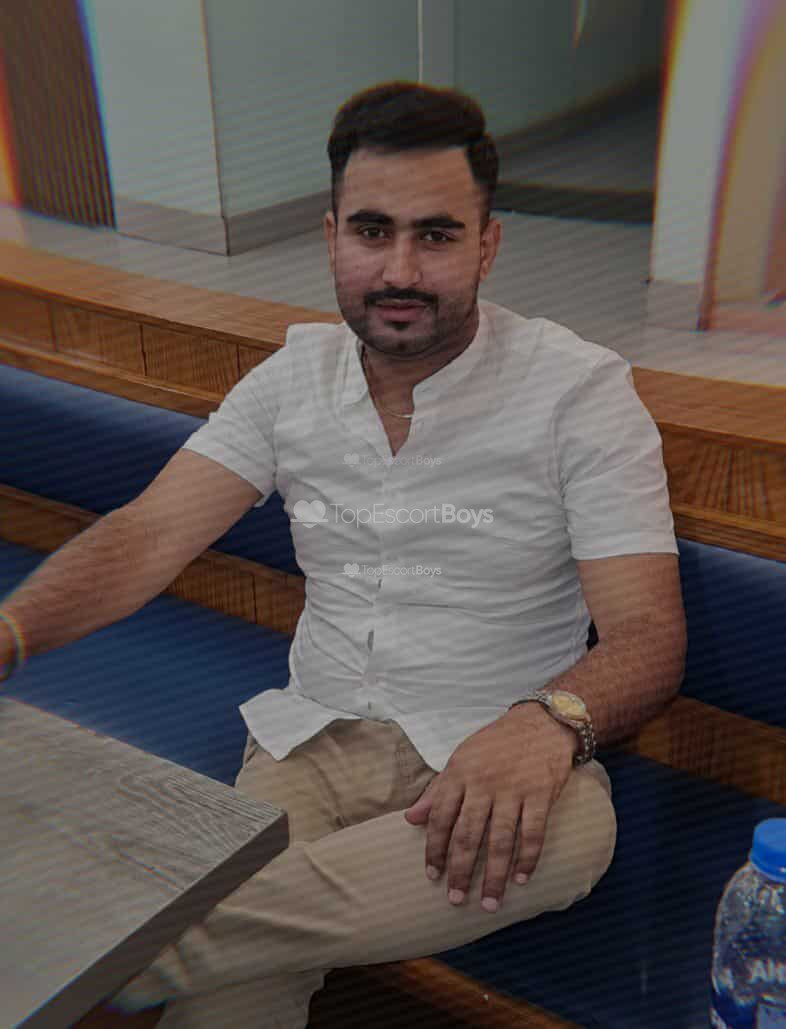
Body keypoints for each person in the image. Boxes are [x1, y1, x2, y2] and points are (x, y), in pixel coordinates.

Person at [0, 81, 686, 1027]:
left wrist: (546, 723)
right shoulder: (291, 381)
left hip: (492, 753)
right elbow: (147, 534)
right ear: (331, 238)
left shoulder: (579, 394)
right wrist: (12, 630)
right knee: (231, 1005)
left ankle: (75, 949)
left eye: (436, 235)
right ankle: (113, 952)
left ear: (487, 246)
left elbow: (648, 632)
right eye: (372, 231)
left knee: (575, 832)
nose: (400, 268)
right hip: (308, 743)